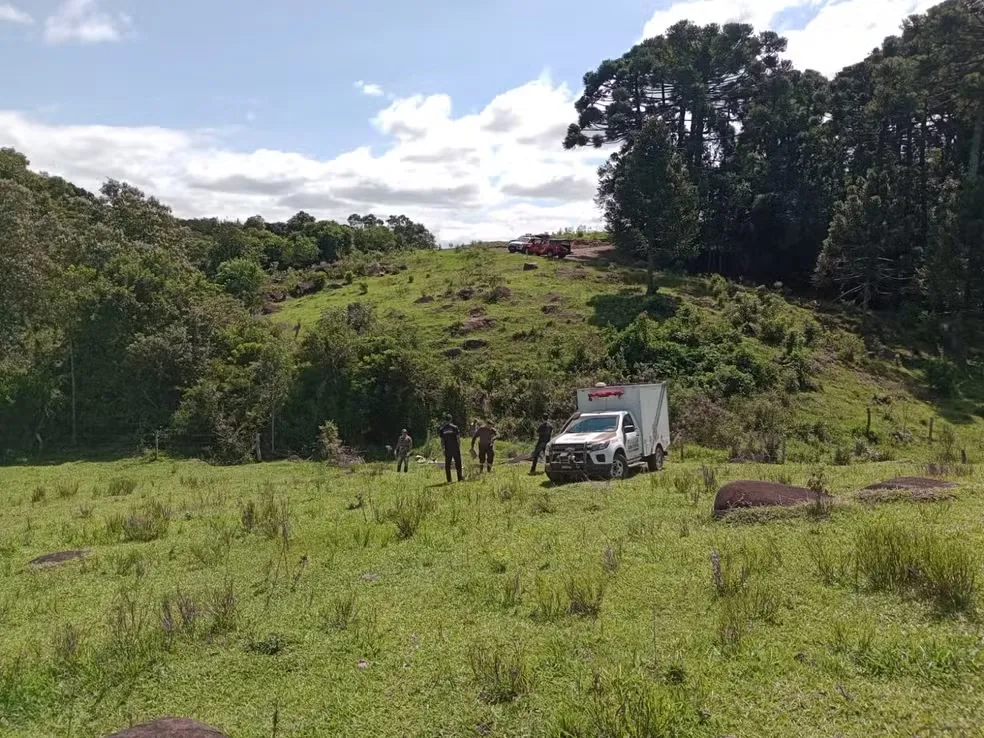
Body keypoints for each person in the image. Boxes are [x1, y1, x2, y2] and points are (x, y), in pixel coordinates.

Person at [439, 414, 463, 483]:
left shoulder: (442, 429)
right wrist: (458, 446)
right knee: (458, 464)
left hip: (447, 449)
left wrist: (442, 449)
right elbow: (458, 438)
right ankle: (459, 478)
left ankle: (449, 480)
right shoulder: (454, 427)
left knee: (448, 465)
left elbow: (442, 440)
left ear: (444, 420)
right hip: (455, 448)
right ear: (451, 420)